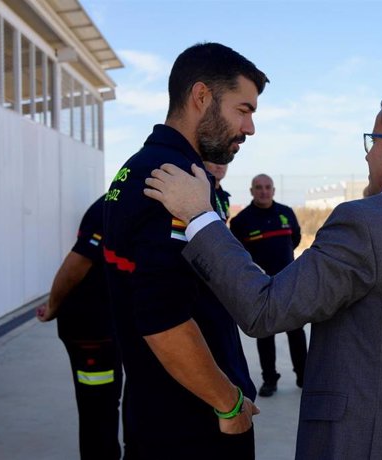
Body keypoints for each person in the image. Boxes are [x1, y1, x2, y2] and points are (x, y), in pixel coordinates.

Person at [144, 93, 382, 459]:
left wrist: (200, 216)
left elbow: (264, 309)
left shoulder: (366, 221)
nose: (367, 156)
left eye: (373, 141)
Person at [102, 42, 267, 458]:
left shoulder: (140, 166)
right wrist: (229, 405)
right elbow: (164, 321)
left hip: (154, 411)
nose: (249, 128)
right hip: (193, 424)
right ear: (201, 97)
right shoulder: (173, 178)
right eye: (243, 110)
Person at [37, 195, 123, 459]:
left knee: (108, 403)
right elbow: (77, 263)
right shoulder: (111, 206)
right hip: (92, 327)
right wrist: (53, 306)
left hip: (109, 322)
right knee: (98, 405)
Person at [229, 174, 306, 397]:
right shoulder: (242, 221)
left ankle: (304, 377)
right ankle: (269, 380)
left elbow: (296, 239)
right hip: (260, 286)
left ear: (273, 190)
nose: (264, 191)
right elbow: (237, 252)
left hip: (288, 282)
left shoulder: (286, 213)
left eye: (267, 187)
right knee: (265, 334)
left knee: (296, 331)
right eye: (259, 188)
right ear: (251, 191)